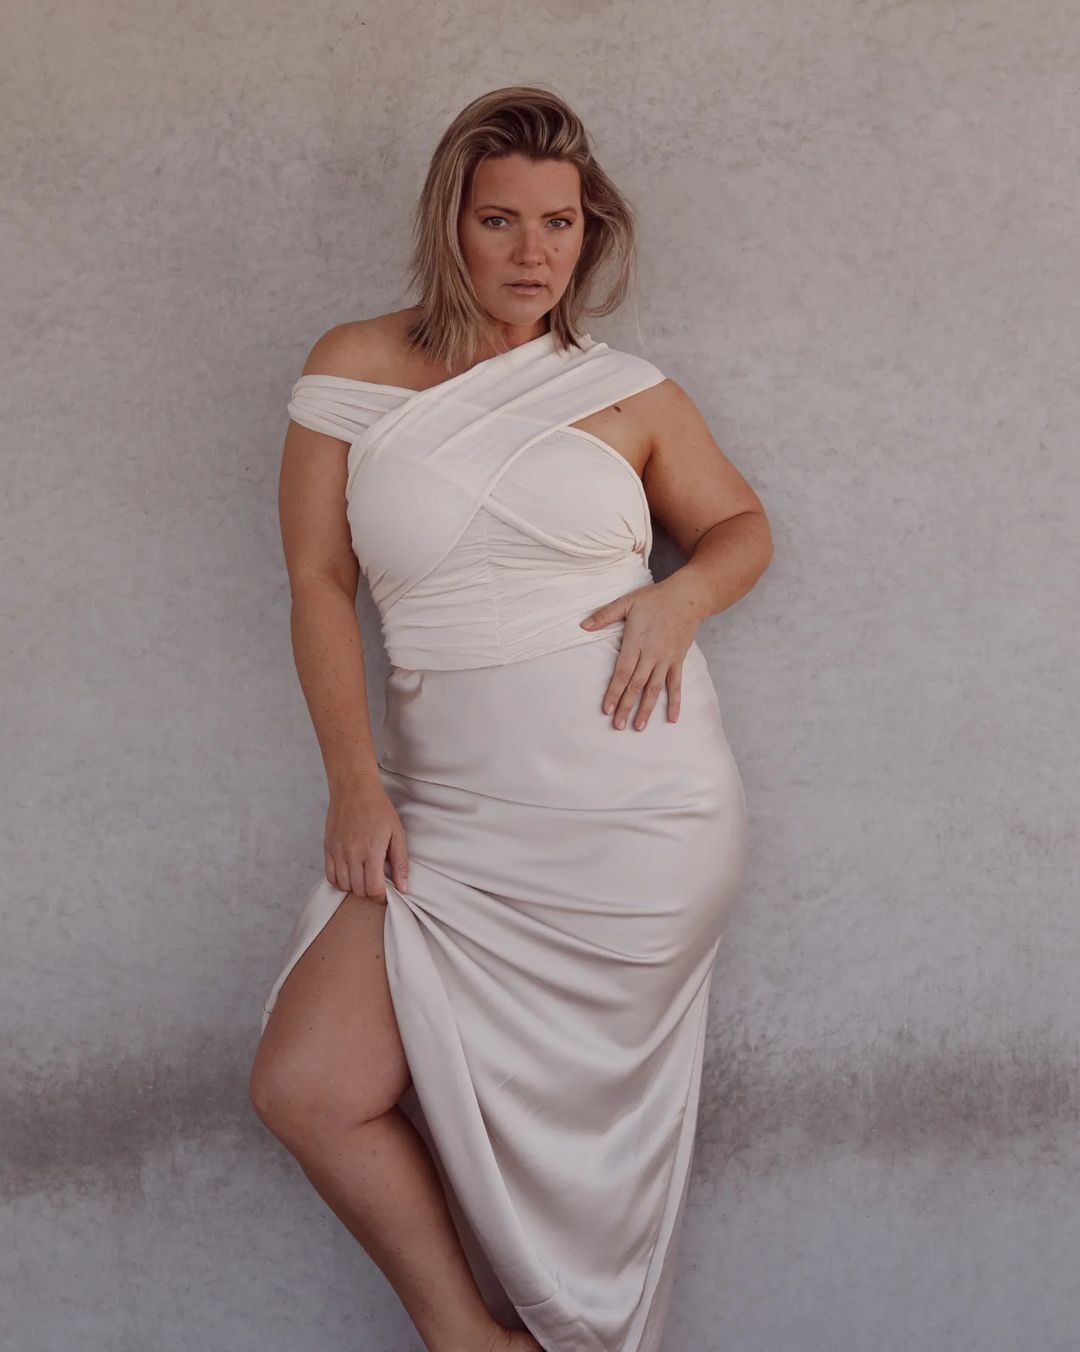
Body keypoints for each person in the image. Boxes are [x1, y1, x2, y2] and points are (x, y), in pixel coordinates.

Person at [248, 85, 772, 1352]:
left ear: (591, 233)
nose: (534, 254)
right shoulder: (353, 366)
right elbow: (318, 581)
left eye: (560, 223)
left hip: (640, 811)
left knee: (581, 1142)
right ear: (451, 223)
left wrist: (683, 596)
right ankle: (472, 1337)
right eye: (500, 220)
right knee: (309, 1086)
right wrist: (354, 781)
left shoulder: (630, 392)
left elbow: (743, 526)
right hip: (450, 808)